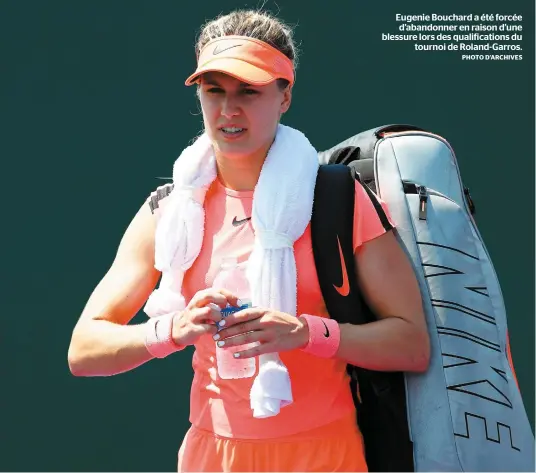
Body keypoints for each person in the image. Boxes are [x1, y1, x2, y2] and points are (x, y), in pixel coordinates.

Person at [67, 8, 430, 472]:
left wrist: (305, 333)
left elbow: (411, 344)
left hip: (326, 454)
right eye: (213, 90)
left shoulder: (339, 199)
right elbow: (84, 351)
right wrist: (173, 330)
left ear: (285, 97)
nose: (228, 109)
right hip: (211, 455)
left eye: (249, 91)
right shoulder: (169, 208)